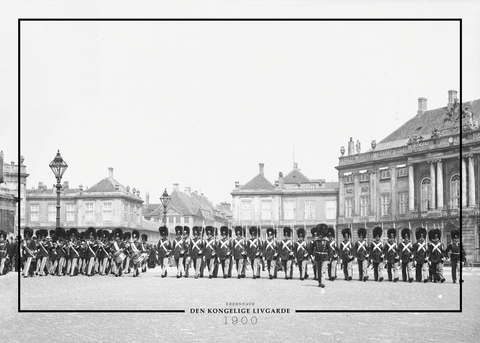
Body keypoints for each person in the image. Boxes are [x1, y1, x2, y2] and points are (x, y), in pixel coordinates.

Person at [311, 223, 331, 288]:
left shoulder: (326, 241)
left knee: (323, 270)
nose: (320, 236)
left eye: (321, 235)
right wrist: (312, 255)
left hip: (325, 257)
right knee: (319, 271)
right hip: (318, 257)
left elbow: (329, 250)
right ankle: (319, 282)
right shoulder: (316, 241)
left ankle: (323, 282)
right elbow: (310, 248)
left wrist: (329, 258)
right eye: (319, 234)